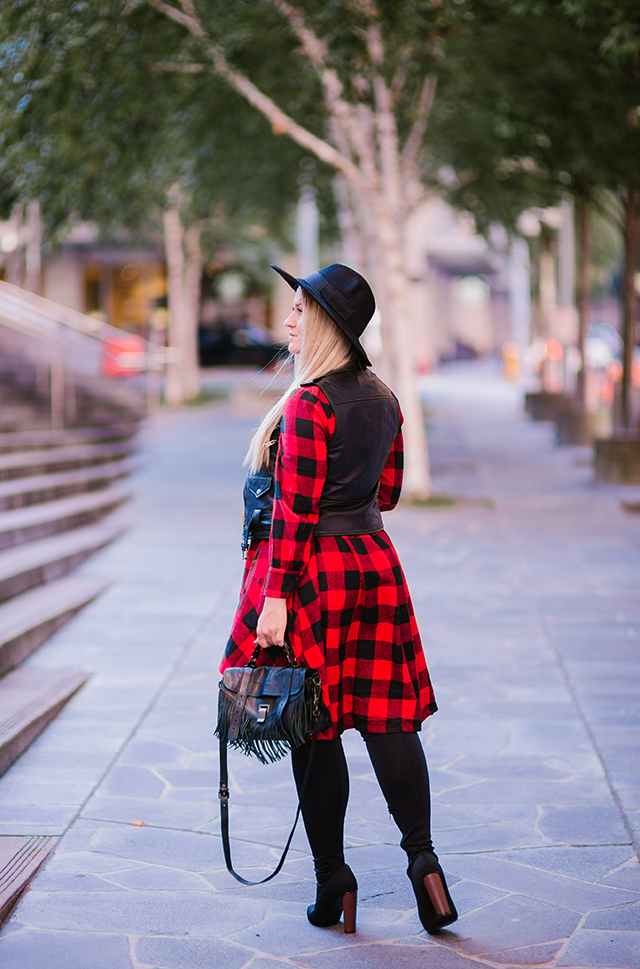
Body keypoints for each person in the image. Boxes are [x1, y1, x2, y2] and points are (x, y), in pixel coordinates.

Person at [222, 263, 457, 936]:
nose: (289, 320)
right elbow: (388, 493)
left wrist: (273, 603)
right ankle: (425, 864)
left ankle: (334, 880)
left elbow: (293, 514)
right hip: (374, 564)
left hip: (311, 576)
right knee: (389, 718)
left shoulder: (307, 404)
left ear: (324, 323)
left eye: (299, 309)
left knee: (314, 724)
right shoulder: (384, 396)